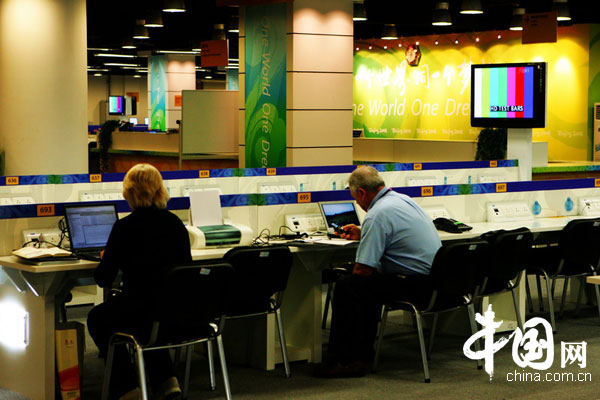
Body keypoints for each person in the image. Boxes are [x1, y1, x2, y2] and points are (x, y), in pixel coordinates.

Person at [314, 166, 442, 378]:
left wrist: (354, 262)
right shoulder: (402, 200)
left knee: (348, 285)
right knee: (363, 284)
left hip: (414, 287)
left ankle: (345, 360)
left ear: (362, 192)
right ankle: (362, 353)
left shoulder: (377, 214)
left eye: (355, 198)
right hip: (436, 284)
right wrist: (364, 233)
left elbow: (362, 269)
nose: (357, 203)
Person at [87, 163, 192, 400]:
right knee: (152, 316)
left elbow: (104, 278)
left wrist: (108, 256)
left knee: (98, 318)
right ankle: (166, 380)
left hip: (140, 310)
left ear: (129, 193)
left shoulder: (125, 227)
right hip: (176, 313)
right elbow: (186, 269)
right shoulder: (176, 224)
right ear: (159, 190)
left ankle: (127, 388)